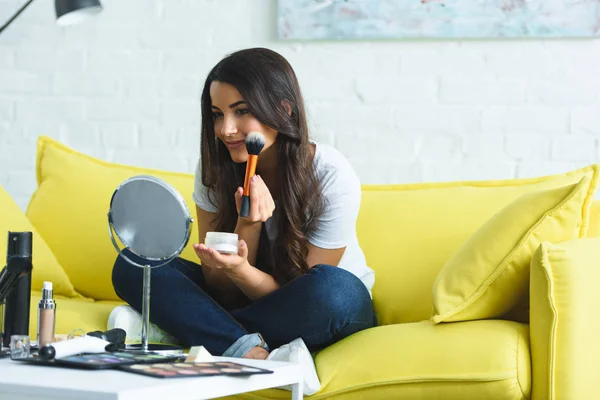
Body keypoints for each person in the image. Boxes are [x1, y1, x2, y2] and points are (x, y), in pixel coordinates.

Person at [109, 47, 377, 395]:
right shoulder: (214, 170)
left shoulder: (330, 175)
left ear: (283, 109)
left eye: (242, 111)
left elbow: (299, 292)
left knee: (335, 290)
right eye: (217, 114)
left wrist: (240, 270)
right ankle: (249, 350)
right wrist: (246, 226)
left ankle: (183, 331)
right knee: (134, 263)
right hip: (239, 300)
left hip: (320, 304)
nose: (226, 129)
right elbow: (220, 287)